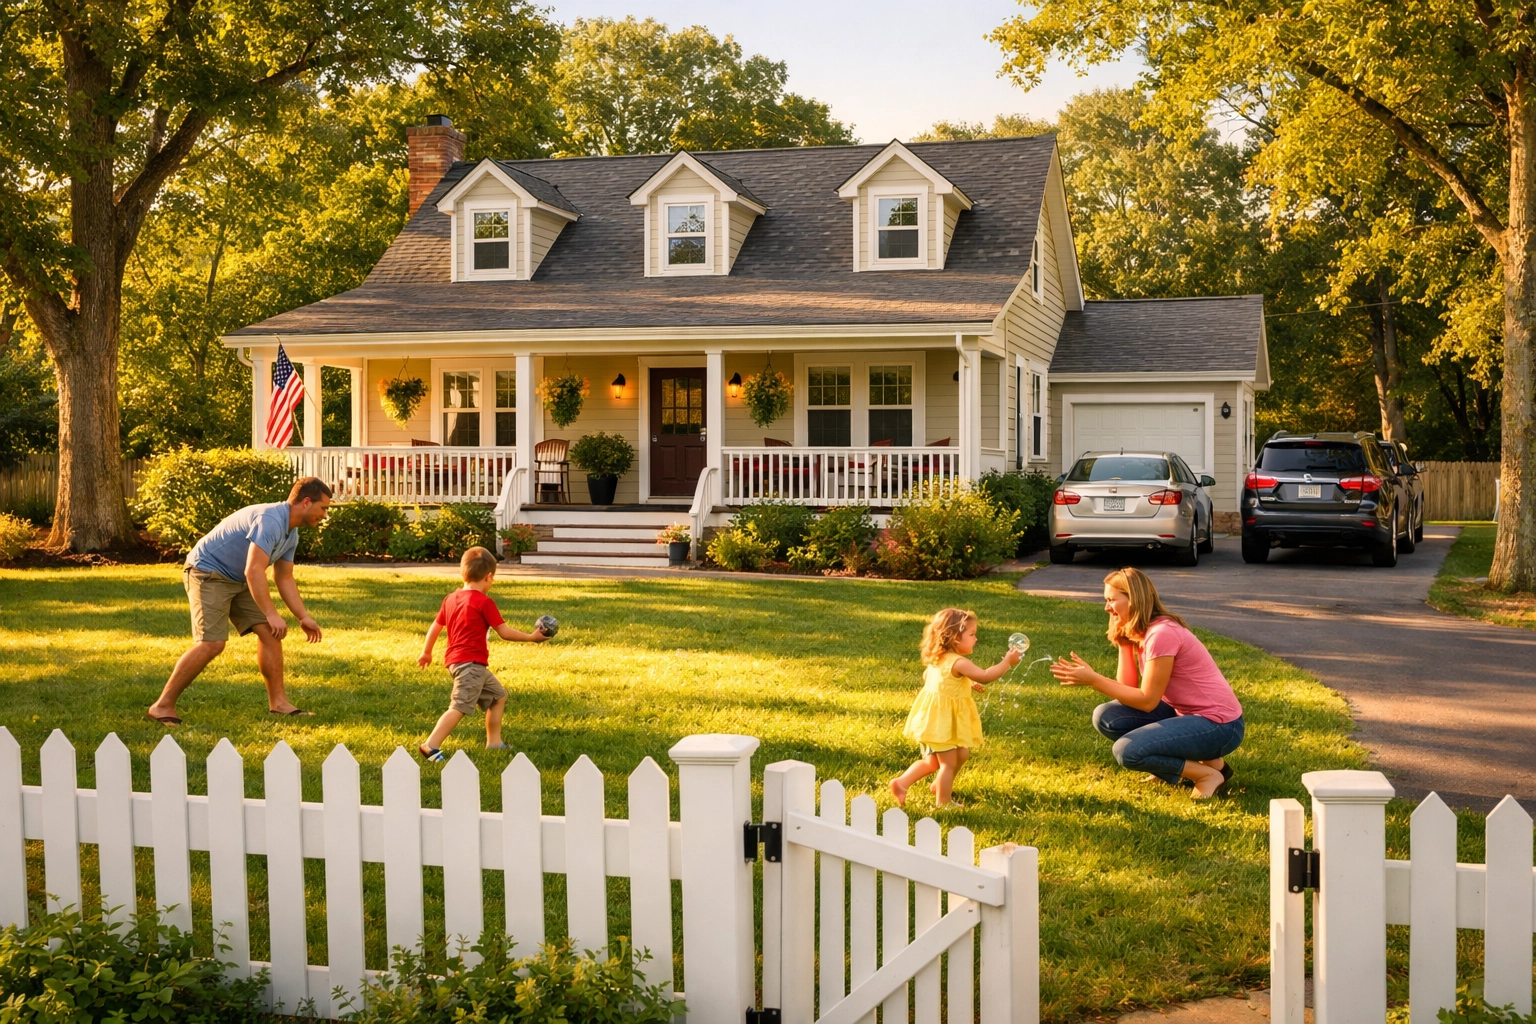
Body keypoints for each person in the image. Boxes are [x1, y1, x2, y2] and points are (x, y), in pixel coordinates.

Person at [146, 477, 333, 725]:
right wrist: (271, 613)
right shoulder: (270, 520)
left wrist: (303, 617)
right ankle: (161, 706)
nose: (325, 514)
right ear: (307, 502)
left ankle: (279, 704)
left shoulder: (291, 533)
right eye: (324, 508)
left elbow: (284, 577)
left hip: (237, 577)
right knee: (212, 643)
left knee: (270, 633)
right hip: (207, 572)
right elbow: (254, 571)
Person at [1050, 567, 1244, 798]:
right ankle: (1187, 769)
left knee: (1127, 751)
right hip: (1188, 715)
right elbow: (1128, 688)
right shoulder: (1145, 631)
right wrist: (1122, 641)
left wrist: (1094, 680)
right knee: (1108, 716)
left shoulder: (1162, 633)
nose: (1106, 607)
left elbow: (1147, 701)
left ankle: (1207, 775)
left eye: (1112, 600)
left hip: (1220, 726)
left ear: (1134, 599)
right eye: (1106, 600)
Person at [417, 546, 550, 761]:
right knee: (459, 706)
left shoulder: (450, 598)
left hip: (460, 663)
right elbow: (504, 632)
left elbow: (435, 625)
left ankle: (494, 743)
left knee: (498, 696)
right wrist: (531, 637)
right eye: (493, 578)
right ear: (488, 577)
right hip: (470, 665)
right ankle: (431, 745)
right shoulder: (484, 602)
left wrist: (426, 652)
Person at [889, 607, 1023, 809]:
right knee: (948, 764)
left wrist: (965, 683)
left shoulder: (939, 658)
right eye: (971, 634)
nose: (976, 638)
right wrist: (1007, 662)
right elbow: (985, 676)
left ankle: (905, 783)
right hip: (940, 722)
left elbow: (934, 679)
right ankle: (943, 802)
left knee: (955, 757)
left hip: (936, 719)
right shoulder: (959, 662)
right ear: (954, 638)